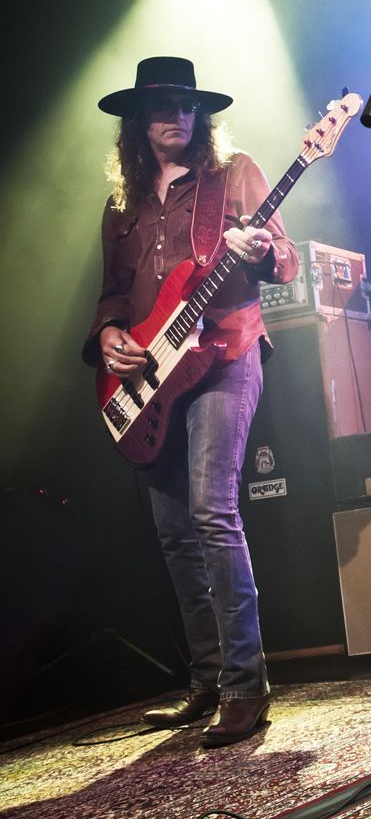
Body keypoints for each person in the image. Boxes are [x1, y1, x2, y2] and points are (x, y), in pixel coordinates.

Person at [82, 56, 298, 748]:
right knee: (174, 534)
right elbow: (113, 295)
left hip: (225, 355)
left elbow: (284, 258)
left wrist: (258, 249)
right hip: (151, 377)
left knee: (211, 510)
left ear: (199, 114)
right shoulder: (122, 205)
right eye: (160, 107)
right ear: (137, 123)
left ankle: (246, 685)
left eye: (185, 105)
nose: (175, 117)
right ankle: (206, 680)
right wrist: (110, 336)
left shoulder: (234, 175)